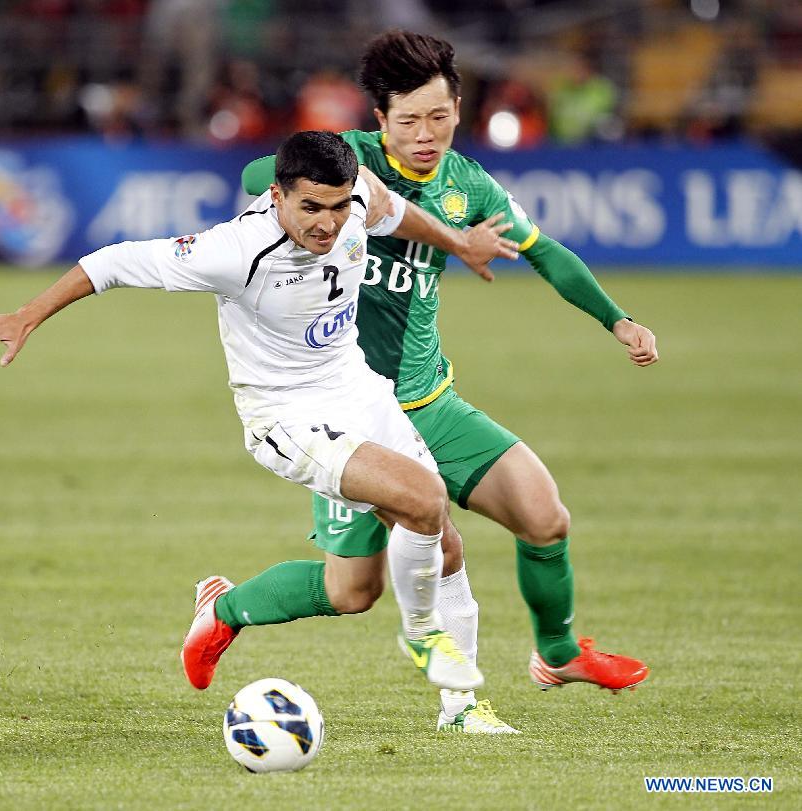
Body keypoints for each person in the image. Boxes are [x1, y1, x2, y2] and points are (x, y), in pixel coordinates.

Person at [0, 130, 521, 700]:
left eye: (337, 207)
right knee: (425, 499)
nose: (327, 223)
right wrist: (25, 316)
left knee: (428, 550)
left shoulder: (357, 199)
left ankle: (459, 711)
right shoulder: (233, 249)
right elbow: (113, 262)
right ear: (277, 196)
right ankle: (422, 635)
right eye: (309, 208)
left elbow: (396, 213)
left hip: (357, 390)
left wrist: (457, 243)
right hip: (287, 419)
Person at [241, 30, 659, 734]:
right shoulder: (347, 165)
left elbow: (544, 251)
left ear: (459, 108)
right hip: (350, 419)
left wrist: (617, 321)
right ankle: (223, 608)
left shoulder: (468, 185)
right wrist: (346, 184)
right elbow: (260, 173)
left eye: (439, 117)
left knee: (545, 516)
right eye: (407, 121)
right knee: (352, 590)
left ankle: (553, 656)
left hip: (431, 399)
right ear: (378, 119)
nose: (425, 135)